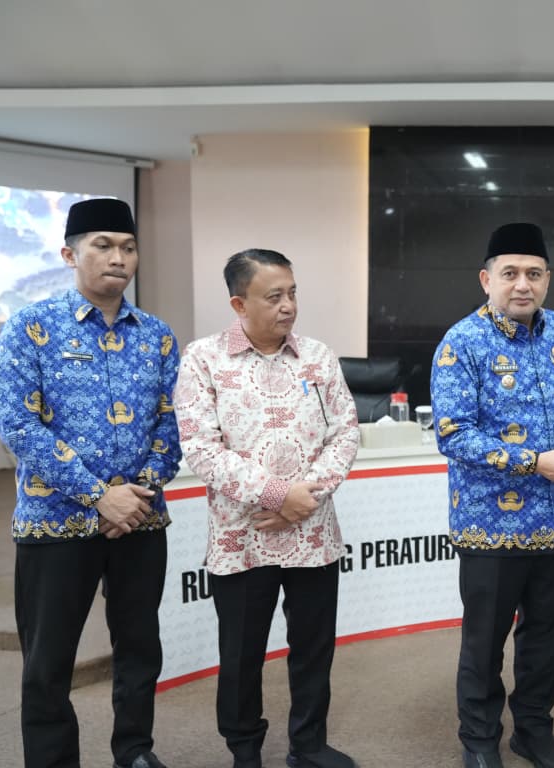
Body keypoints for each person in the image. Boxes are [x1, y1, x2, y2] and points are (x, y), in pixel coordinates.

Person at [0, 198, 181, 768]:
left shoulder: (157, 336)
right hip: (55, 522)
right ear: (69, 254)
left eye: (128, 247)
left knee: (140, 650)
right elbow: (18, 425)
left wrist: (135, 496)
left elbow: (173, 423)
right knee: (48, 662)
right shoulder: (30, 327)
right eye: (103, 245)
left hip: (140, 520)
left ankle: (135, 751)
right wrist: (100, 496)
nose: (118, 257)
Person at [173, 249, 360, 768]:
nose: (288, 306)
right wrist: (279, 495)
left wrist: (305, 499)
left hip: (313, 532)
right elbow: (202, 448)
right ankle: (244, 749)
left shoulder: (318, 357)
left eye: (292, 293)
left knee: (313, 647)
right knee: (241, 652)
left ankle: (309, 744)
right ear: (239, 303)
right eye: (274, 296)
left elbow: (345, 433)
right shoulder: (203, 359)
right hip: (243, 536)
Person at [431, 223, 554, 768]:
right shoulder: (462, 342)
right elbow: (453, 434)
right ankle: (479, 741)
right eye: (510, 273)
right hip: (490, 526)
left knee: (546, 638)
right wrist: (532, 461)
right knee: (484, 644)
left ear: (548, 278)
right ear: (487, 280)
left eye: (533, 273)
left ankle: (533, 730)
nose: (522, 284)